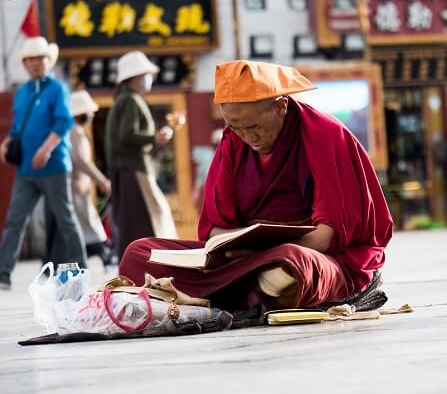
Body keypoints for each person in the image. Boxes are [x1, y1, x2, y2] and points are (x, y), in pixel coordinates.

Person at [118, 60, 393, 310]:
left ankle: (231, 292)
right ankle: (249, 293)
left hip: (316, 257)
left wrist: (259, 251)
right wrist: (239, 245)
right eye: (235, 127)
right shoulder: (233, 143)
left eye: (255, 127)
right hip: (243, 262)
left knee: (290, 264)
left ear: (280, 106)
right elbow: (213, 231)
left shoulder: (325, 137)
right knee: (139, 252)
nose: (248, 137)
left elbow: (324, 238)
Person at [0, 37, 87, 289]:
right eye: (31, 59)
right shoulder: (23, 92)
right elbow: (17, 127)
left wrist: (47, 149)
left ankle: (81, 269)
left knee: (65, 218)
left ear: (49, 61)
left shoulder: (58, 89)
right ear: (25, 64)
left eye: (41, 58)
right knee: (15, 220)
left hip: (54, 167)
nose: (36, 63)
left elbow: (63, 123)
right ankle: (3, 273)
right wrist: (6, 142)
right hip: (25, 169)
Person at [105, 51, 177, 260]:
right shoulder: (131, 100)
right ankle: (146, 263)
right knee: (146, 219)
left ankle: (134, 263)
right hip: (133, 169)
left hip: (126, 169)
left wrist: (155, 141)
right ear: (136, 76)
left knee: (133, 221)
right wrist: (154, 138)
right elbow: (127, 136)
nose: (149, 79)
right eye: (146, 74)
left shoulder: (123, 99)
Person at [45, 90, 113, 267]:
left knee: (83, 225)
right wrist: (101, 179)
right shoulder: (76, 132)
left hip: (73, 185)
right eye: (88, 111)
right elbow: (81, 160)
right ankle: (103, 253)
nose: (91, 114)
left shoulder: (70, 130)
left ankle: (99, 253)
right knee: (87, 225)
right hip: (77, 185)